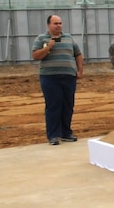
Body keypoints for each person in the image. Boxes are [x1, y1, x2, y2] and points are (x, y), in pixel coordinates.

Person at [31, 14, 83, 145]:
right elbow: (35, 56)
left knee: (68, 105)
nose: (58, 25)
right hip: (50, 78)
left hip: (69, 76)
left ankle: (66, 133)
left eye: (60, 23)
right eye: (55, 23)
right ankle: (53, 135)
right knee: (54, 106)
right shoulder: (41, 38)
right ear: (48, 25)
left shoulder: (69, 38)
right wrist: (48, 47)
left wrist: (80, 69)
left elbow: (78, 54)